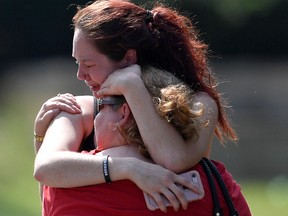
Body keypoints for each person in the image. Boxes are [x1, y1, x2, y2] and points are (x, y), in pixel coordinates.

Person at [33, 0, 246, 213]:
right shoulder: (78, 109)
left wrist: (133, 88)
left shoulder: (198, 105)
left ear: (128, 58)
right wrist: (129, 167)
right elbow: (45, 175)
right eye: (76, 62)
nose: (80, 75)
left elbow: (172, 160)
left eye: (89, 65)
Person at [37, 67, 251, 215]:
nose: (94, 119)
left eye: (100, 108)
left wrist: (40, 138)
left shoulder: (67, 181)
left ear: (123, 113)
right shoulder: (217, 183)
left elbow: (48, 204)